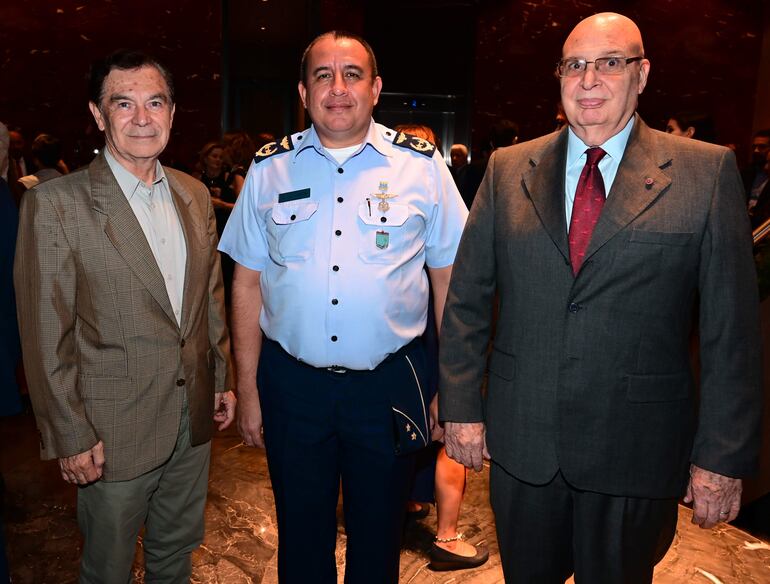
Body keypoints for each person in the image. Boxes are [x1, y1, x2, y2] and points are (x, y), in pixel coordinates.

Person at [439, 12, 762, 584]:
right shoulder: (510, 169)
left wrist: (721, 455)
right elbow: (466, 301)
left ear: (642, 75)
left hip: (635, 448)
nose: (589, 80)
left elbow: (730, 332)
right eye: (575, 65)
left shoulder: (704, 174)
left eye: (609, 63)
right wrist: (462, 409)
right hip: (524, 444)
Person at [218, 31, 467, 583]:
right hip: (292, 385)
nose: (338, 87)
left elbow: (450, 281)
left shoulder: (421, 168)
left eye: (351, 74)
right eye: (322, 75)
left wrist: (453, 387)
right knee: (301, 541)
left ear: (375, 88)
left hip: (387, 385)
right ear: (303, 92)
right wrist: (250, 388)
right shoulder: (268, 170)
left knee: (379, 540)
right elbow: (246, 285)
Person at [14, 50, 235, 583]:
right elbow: (46, 332)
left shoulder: (193, 193)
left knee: (175, 554)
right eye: (124, 103)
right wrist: (69, 433)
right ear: (97, 114)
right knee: (107, 570)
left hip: (191, 419)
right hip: (110, 434)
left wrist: (220, 377)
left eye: (155, 102)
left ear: (173, 112)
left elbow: (208, 297)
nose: (142, 117)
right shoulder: (57, 205)